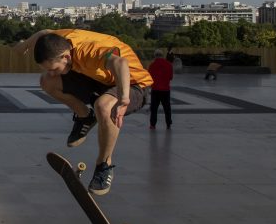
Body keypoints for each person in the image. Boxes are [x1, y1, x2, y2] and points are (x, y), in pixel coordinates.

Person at [15, 29, 153, 196]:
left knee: (104, 106)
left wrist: (123, 99)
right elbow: (44, 32)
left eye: (54, 68)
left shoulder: (89, 51)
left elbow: (121, 64)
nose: (52, 72)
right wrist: (24, 45)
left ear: (65, 57)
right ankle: (85, 116)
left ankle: (104, 165)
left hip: (131, 83)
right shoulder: (59, 40)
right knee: (47, 81)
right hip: (99, 78)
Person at [147, 49, 174, 130]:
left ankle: (152, 125)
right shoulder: (169, 65)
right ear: (162, 55)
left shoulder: (152, 65)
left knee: (154, 108)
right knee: (167, 108)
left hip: (155, 90)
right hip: (165, 90)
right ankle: (168, 124)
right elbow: (171, 77)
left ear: (155, 56)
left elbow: (149, 78)